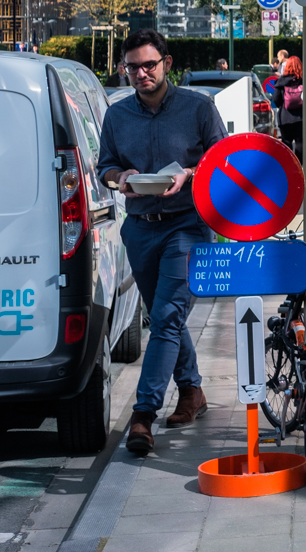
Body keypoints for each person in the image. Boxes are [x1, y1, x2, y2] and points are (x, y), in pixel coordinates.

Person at [95, 29, 229, 455]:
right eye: (132, 67)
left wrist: (188, 175)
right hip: (139, 227)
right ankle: (192, 391)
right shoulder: (117, 116)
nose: (141, 73)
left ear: (166, 64)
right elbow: (106, 167)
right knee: (161, 315)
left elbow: (225, 159)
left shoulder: (198, 107)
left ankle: (143, 415)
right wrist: (122, 178)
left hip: (187, 225)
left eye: (149, 64)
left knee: (168, 316)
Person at [274, 55, 305, 156]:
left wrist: (282, 106)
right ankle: (299, 166)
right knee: (300, 142)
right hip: (301, 117)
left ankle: (289, 166)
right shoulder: (304, 80)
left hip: (285, 117)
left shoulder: (282, 81)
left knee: (286, 142)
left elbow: (276, 99)